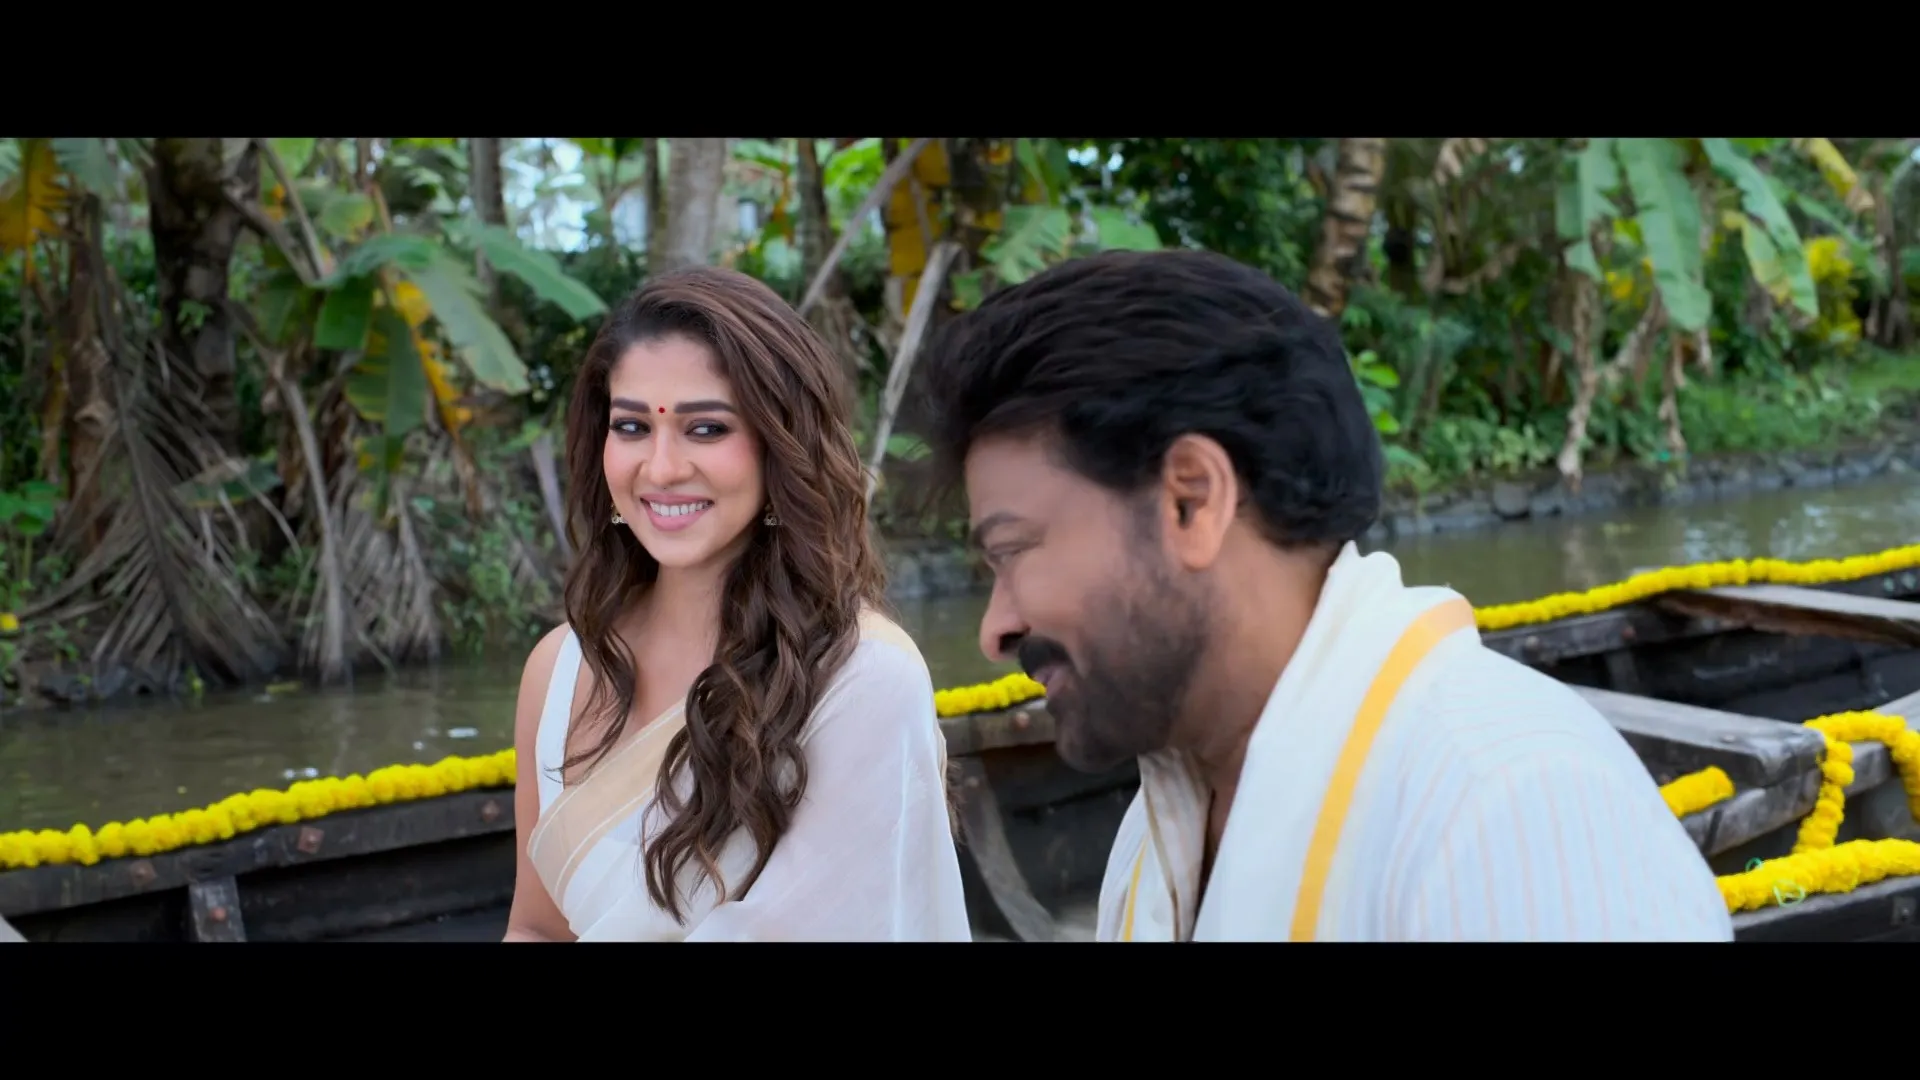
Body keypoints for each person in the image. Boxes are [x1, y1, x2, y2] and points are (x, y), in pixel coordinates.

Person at [914, 249, 1733, 942]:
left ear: (1191, 501)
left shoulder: (1511, 807)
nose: (997, 628)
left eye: (1013, 551)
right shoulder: (1164, 819)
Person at [504, 266, 970, 942]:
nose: (661, 468)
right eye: (631, 426)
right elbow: (538, 929)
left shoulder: (861, 679)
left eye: (706, 429)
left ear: (782, 444)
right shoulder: (559, 671)